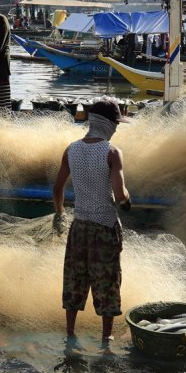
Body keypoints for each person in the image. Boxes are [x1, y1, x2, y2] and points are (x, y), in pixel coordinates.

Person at [52, 100, 131, 343]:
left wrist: (59, 213)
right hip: (104, 228)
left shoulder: (71, 150)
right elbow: (119, 194)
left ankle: (70, 333)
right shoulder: (111, 152)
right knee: (106, 281)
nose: (116, 128)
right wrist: (127, 200)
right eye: (116, 123)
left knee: (75, 278)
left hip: (79, 226)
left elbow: (57, 188)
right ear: (107, 124)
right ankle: (106, 338)